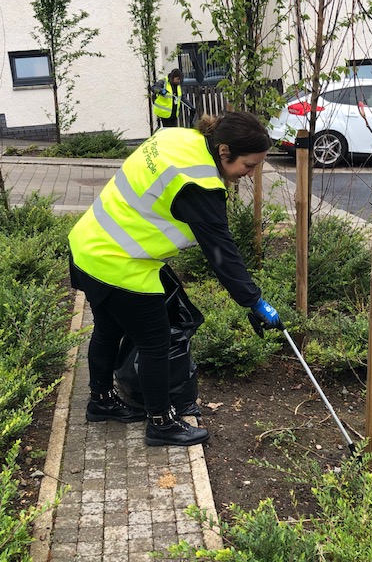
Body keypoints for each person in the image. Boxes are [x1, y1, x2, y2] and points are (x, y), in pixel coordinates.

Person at [68, 111, 280, 448]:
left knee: (108, 330)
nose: (251, 174)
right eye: (249, 165)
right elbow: (221, 253)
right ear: (224, 151)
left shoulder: (178, 138)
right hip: (121, 263)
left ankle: (101, 401)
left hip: (88, 244)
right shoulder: (200, 185)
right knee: (156, 344)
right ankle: (161, 424)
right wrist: (253, 301)